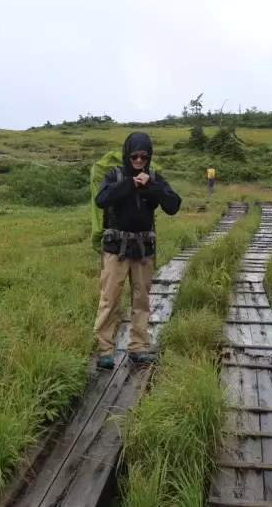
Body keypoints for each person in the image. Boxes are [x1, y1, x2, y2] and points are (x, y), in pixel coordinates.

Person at [93, 131, 182, 368]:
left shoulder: (154, 177)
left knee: (141, 300)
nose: (140, 160)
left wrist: (151, 186)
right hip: (116, 249)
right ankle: (104, 350)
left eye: (144, 156)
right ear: (127, 155)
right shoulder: (114, 175)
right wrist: (130, 184)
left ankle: (139, 347)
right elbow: (101, 199)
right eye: (134, 156)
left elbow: (173, 205)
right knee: (110, 300)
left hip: (143, 250)